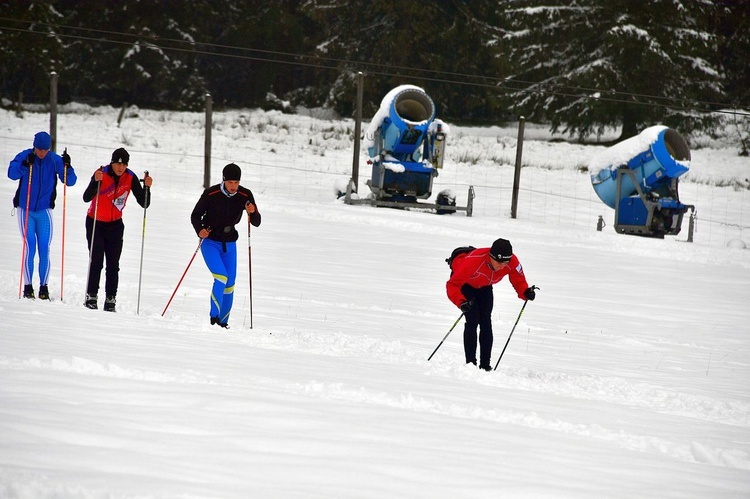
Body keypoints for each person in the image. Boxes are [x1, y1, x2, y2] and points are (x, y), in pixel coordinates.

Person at [446, 238, 536, 371]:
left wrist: (525, 292)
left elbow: (518, 279)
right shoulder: (473, 261)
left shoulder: (512, 261)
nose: (501, 266)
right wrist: (461, 302)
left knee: (486, 322)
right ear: (490, 257)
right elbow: (452, 285)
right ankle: (470, 364)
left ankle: (485, 365)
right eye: (498, 262)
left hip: (485, 286)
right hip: (466, 285)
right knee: (472, 319)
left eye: (505, 262)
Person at [7, 131, 77, 300]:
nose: (42, 153)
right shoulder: (25, 156)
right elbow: (11, 173)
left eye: (45, 150)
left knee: (44, 247)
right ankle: (28, 286)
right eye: (39, 149)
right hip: (25, 210)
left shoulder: (54, 160)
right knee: (30, 246)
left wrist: (68, 166)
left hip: (44, 211)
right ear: (34, 146)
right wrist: (24, 164)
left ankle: (43, 287)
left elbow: (70, 180)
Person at [190, 163, 261, 328]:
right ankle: (214, 318)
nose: (233, 186)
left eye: (236, 182)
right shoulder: (211, 193)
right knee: (221, 277)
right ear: (223, 180)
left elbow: (256, 222)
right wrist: (199, 230)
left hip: (229, 244)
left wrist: (253, 211)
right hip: (210, 242)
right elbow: (195, 215)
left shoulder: (245, 194)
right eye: (230, 182)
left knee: (230, 284)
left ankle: (223, 322)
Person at [82, 147, 152, 312]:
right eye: (118, 164)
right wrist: (94, 182)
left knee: (113, 264)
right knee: (96, 261)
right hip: (95, 223)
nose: (121, 168)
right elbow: (86, 197)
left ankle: (110, 299)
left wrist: (148, 188)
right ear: (112, 163)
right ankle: (91, 295)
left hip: (115, 225)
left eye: (124, 164)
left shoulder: (130, 177)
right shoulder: (101, 173)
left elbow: (144, 203)